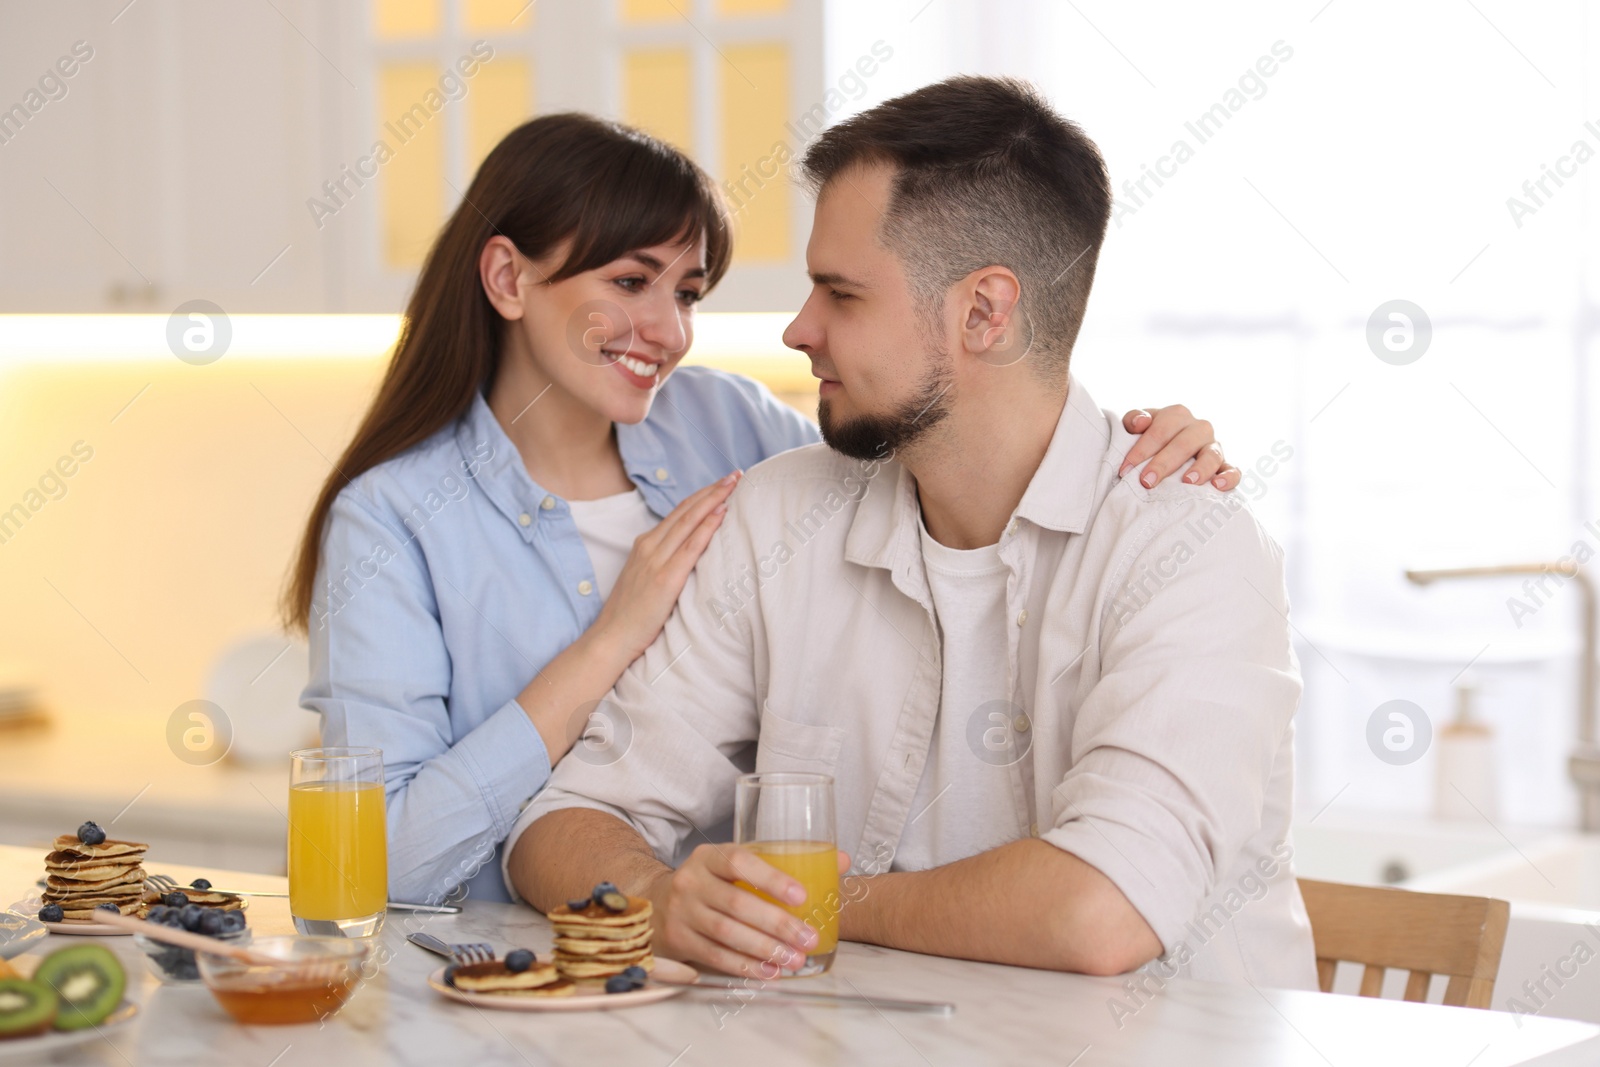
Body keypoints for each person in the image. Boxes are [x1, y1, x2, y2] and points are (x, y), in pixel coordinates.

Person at [283, 112, 1240, 906]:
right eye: (628, 282)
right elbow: (378, 866)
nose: (666, 331)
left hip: (724, 977)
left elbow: (938, 433)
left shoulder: (729, 425)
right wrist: (608, 644)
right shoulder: (394, 518)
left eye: (687, 291)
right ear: (507, 278)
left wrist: (1134, 447)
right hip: (498, 975)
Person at [506, 77, 1316, 990]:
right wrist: (658, 894)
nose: (798, 329)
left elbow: (1101, 909)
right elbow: (562, 818)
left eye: (840, 295)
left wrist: (812, 904)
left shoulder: (1190, 549)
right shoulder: (779, 518)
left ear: (984, 312)